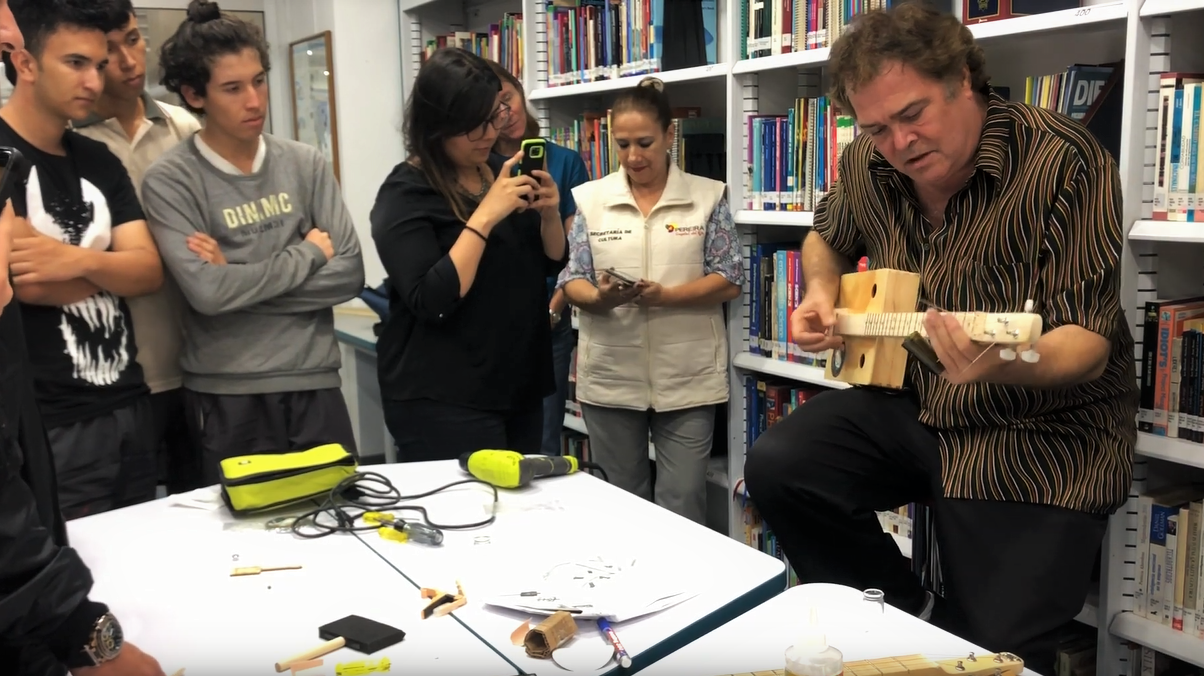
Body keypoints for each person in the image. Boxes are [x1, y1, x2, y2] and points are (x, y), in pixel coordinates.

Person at [741, 5, 1138, 675]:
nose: (898, 143)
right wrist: (817, 292)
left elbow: (1088, 343)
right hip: (917, 400)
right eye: (877, 128)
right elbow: (826, 238)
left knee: (992, 654)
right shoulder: (869, 161)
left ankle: (947, 636)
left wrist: (1006, 362)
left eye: (913, 114)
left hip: (1043, 430)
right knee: (781, 465)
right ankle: (907, 614)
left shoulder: (1065, 161)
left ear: (963, 79)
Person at [0, 2, 166, 674]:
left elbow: (149, 270)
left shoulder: (95, 158)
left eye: (100, 63)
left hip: (127, 399)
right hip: (47, 421)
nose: (96, 79)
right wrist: (106, 270)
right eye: (76, 62)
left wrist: (70, 262)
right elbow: (20, 276)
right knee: (60, 602)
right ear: (25, 60)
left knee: (137, 591)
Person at [141, 0, 364, 485]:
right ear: (193, 95)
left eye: (259, 80)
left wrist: (235, 280)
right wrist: (306, 254)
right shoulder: (170, 180)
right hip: (227, 393)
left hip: (315, 383)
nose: (255, 101)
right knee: (241, 544)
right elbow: (206, 294)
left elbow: (349, 272)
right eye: (233, 88)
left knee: (338, 528)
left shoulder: (305, 163)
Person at [557, 77, 743, 525]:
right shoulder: (591, 200)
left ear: (669, 136)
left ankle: (686, 594)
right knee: (623, 505)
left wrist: (667, 296)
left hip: (688, 377)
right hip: (611, 378)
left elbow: (729, 277)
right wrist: (600, 298)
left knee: (682, 504)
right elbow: (572, 278)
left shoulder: (707, 195)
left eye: (644, 142)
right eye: (623, 145)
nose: (634, 156)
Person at [370, 47, 567, 462]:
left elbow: (551, 261)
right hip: (444, 396)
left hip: (519, 382)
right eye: (470, 126)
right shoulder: (405, 193)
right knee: (467, 517)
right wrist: (485, 216)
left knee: (522, 515)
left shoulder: (503, 170)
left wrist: (549, 213)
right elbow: (432, 298)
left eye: (492, 118)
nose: (487, 135)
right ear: (436, 124)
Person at [71, 6, 203, 495]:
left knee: (205, 510)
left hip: (197, 361)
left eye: (132, 39)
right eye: (108, 49)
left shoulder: (184, 129)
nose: (127, 60)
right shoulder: (69, 142)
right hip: (115, 377)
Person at [485, 59, 590, 457]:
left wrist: (554, 307)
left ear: (520, 89)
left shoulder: (565, 162)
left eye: (508, 98)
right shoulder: (480, 168)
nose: (506, 114)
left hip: (549, 316)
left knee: (542, 440)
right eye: (493, 108)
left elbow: (573, 247)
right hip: (495, 320)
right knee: (494, 439)